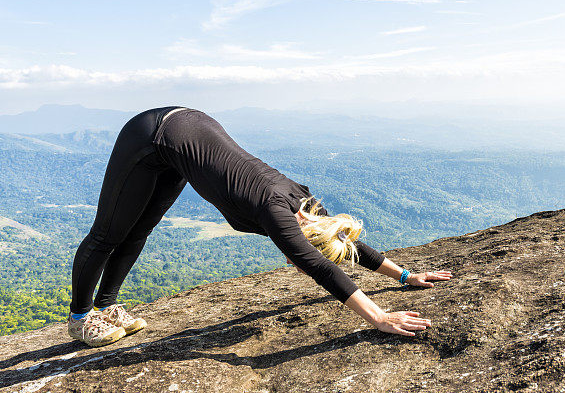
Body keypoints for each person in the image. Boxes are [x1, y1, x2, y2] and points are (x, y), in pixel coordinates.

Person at [67, 106, 452, 347]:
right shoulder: (277, 213)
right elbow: (322, 267)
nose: (297, 259)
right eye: (300, 252)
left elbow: (344, 245)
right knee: (108, 234)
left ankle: (108, 307)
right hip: (153, 134)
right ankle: (81, 319)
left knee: (138, 231)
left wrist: (404, 276)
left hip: (187, 137)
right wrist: (379, 317)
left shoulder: (312, 209)